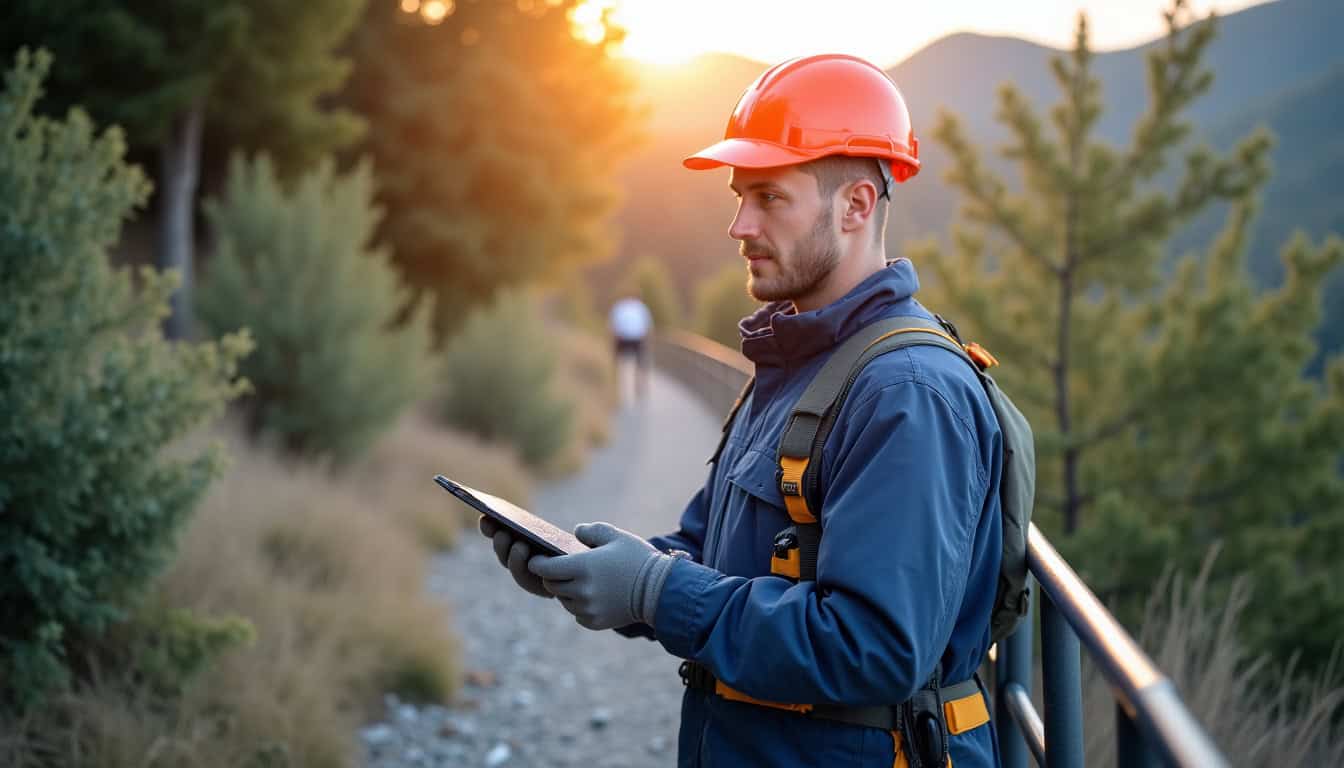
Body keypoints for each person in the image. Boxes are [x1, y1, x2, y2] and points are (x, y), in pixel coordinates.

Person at [480, 53, 1004, 767]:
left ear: (855, 205)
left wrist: (655, 592)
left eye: (768, 198)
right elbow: (711, 553)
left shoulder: (907, 392)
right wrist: (597, 569)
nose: (738, 225)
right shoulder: (793, 367)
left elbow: (875, 647)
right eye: (738, 196)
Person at [608, 294, 653, 400]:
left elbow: (612, 326)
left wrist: (612, 342)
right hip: (637, 338)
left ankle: (617, 387)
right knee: (641, 363)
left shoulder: (619, 306)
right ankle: (640, 386)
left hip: (622, 337)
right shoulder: (641, 307)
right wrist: (648, 341)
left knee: (619, 363)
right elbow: (648, 326)